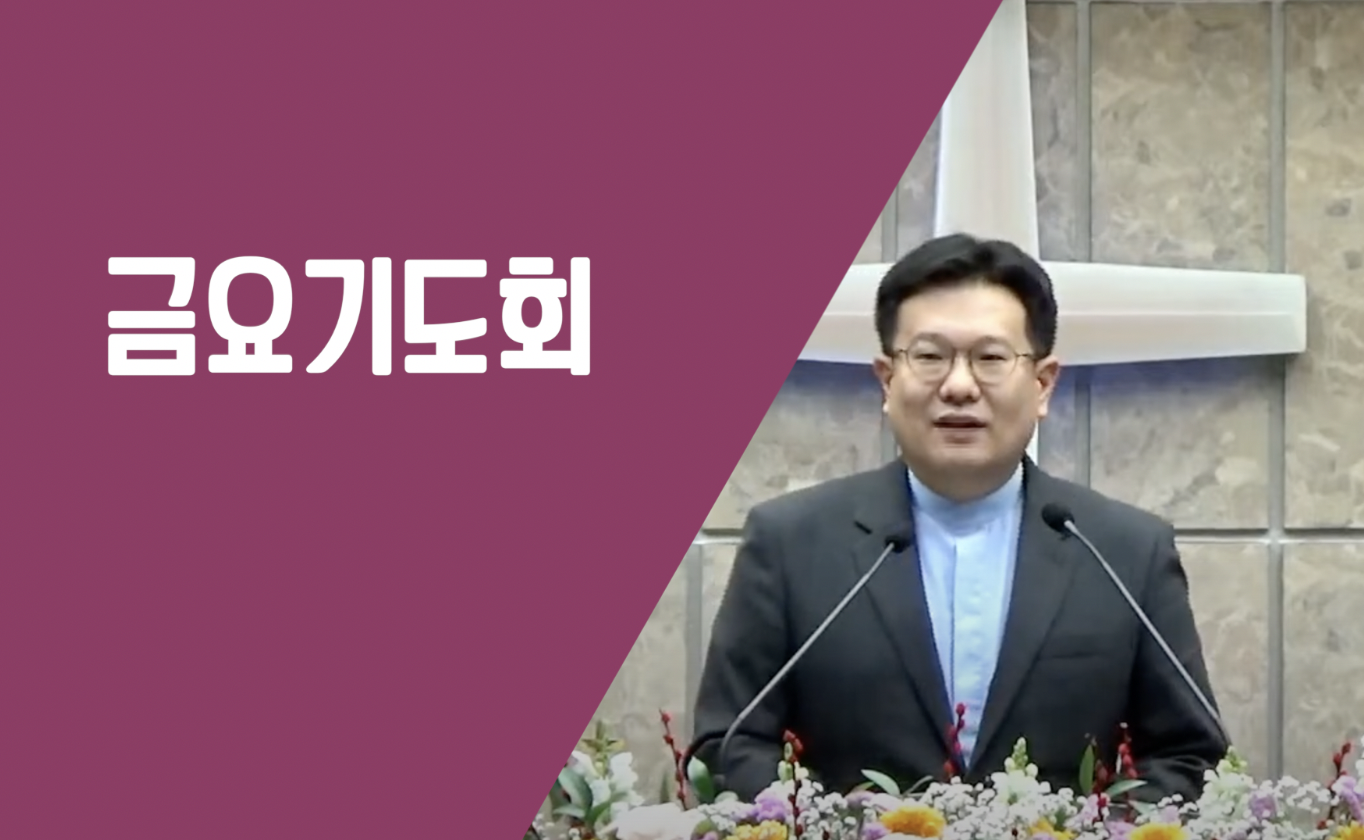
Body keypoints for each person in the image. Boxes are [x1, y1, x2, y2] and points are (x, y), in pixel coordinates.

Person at [688, 233, 1227, 805]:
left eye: (991, 359)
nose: (960, 386)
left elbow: (1189, 757)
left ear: (1043, 385)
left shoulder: (1126, 551)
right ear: (887, 380)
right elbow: (729, 745)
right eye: (929, 357)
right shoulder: (790, 543)